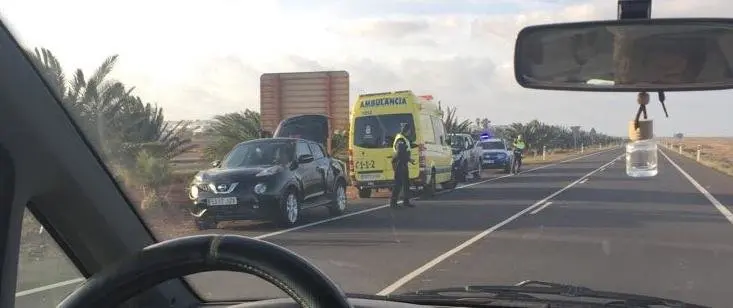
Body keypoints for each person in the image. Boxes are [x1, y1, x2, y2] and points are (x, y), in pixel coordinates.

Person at [390, 124, 415, 208]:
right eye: (409, 131)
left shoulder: (403, 139)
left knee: (406, 183)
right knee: (398, 184)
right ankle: (393, 203)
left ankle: (406, 201)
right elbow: (401, 152)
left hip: (403, 163)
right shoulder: (400, 139)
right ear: (406, 130)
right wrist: (410, 160)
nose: (410, 133)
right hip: (399, 163)